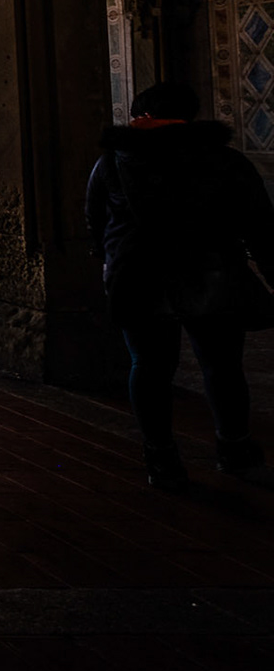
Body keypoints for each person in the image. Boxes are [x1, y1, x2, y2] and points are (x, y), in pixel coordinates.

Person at [88, 81, 272, 489]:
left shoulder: (113, 162)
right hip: (212, 274)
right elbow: (260, 226)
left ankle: (161, 457)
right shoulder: (225, 160)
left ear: (144, 116)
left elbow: (95, 221)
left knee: (149, 367)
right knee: (222, 367)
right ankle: (235, 448)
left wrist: (110, 260)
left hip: (137, 276)